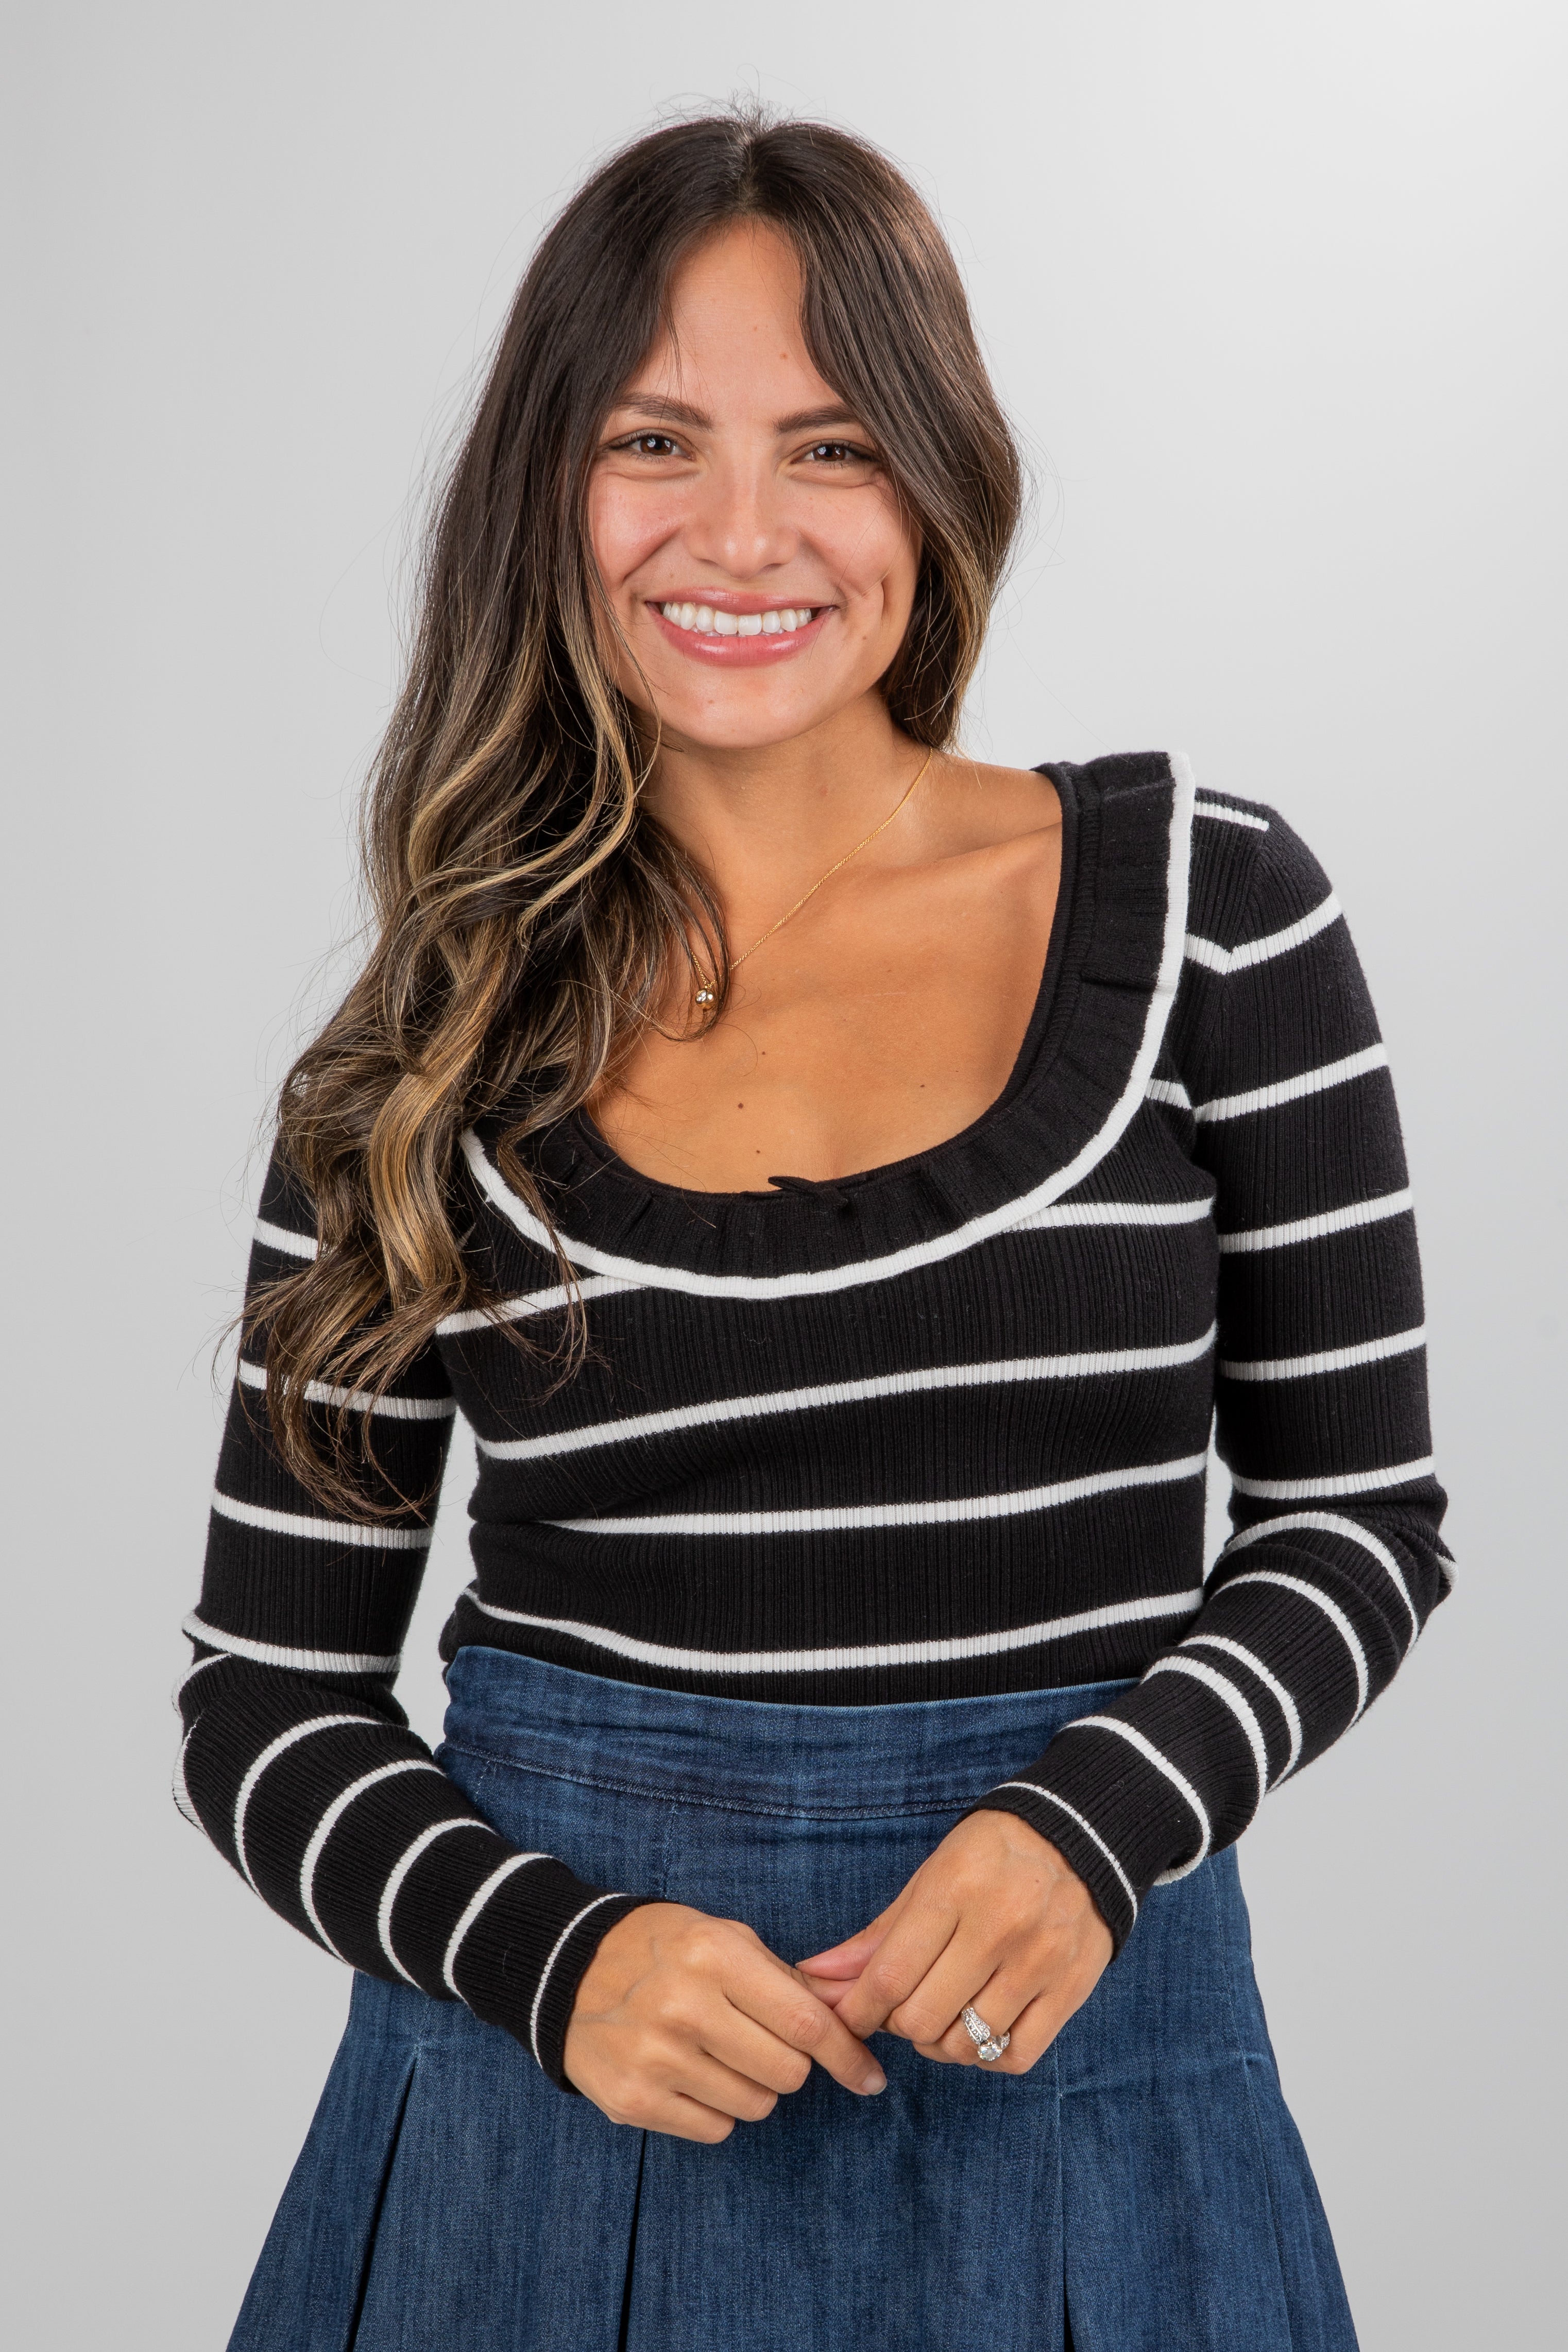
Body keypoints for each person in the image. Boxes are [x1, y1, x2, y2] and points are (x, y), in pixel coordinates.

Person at [177, 108, 1450, 2352]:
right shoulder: (421, 1054)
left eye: (831, 444)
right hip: (540, 2150)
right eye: (653, 439)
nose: (739, 531)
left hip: (1093, 2118)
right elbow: (266, 1705)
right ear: (545, 493)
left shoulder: (1210, 918)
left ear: (936, 486)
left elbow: (1356, 1512)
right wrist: (555, 1956)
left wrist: (1091, 1825)